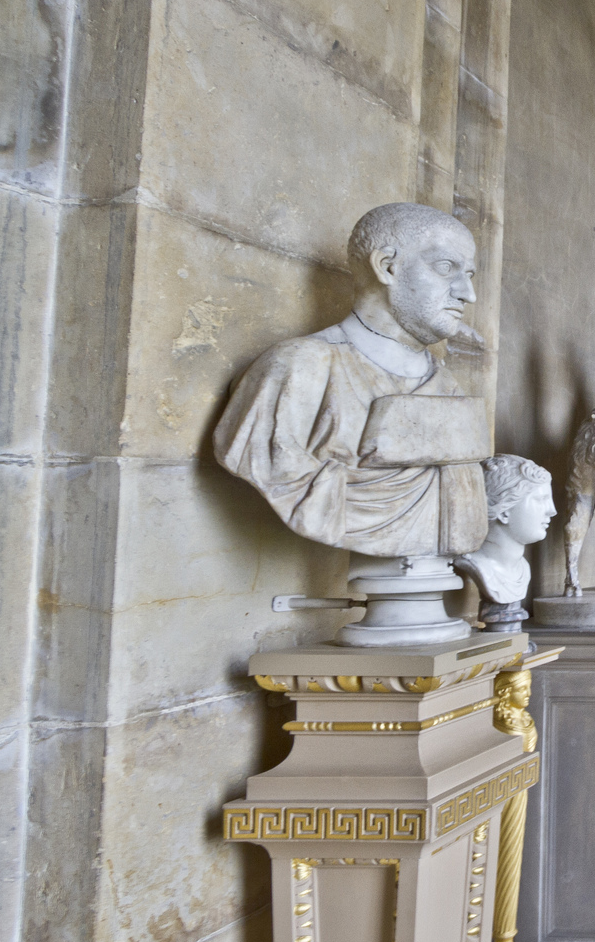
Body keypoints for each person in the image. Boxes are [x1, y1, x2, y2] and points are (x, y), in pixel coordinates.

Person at [215, 201, 490, 557]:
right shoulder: (298, 367)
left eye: (469, 275)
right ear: (387, 267)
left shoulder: (448, 388)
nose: (468, 294)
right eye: (446, 267)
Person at [456, 455, 554, 627]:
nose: (552, 511)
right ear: (504, 511)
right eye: (541, 500)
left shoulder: (522, 568)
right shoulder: (478, 566)